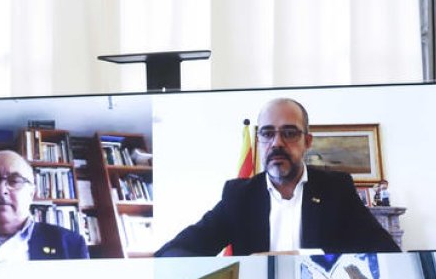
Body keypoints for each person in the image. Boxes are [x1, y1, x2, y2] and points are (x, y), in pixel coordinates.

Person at [155, 98, 399, 257]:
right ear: (259, 140)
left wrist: (317, 258)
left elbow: (385, 252)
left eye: (289, 133)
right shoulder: (239, 196)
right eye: (267, 133)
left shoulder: (336, 189)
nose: (277, 143)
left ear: (307, 142)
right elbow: (183, 248)